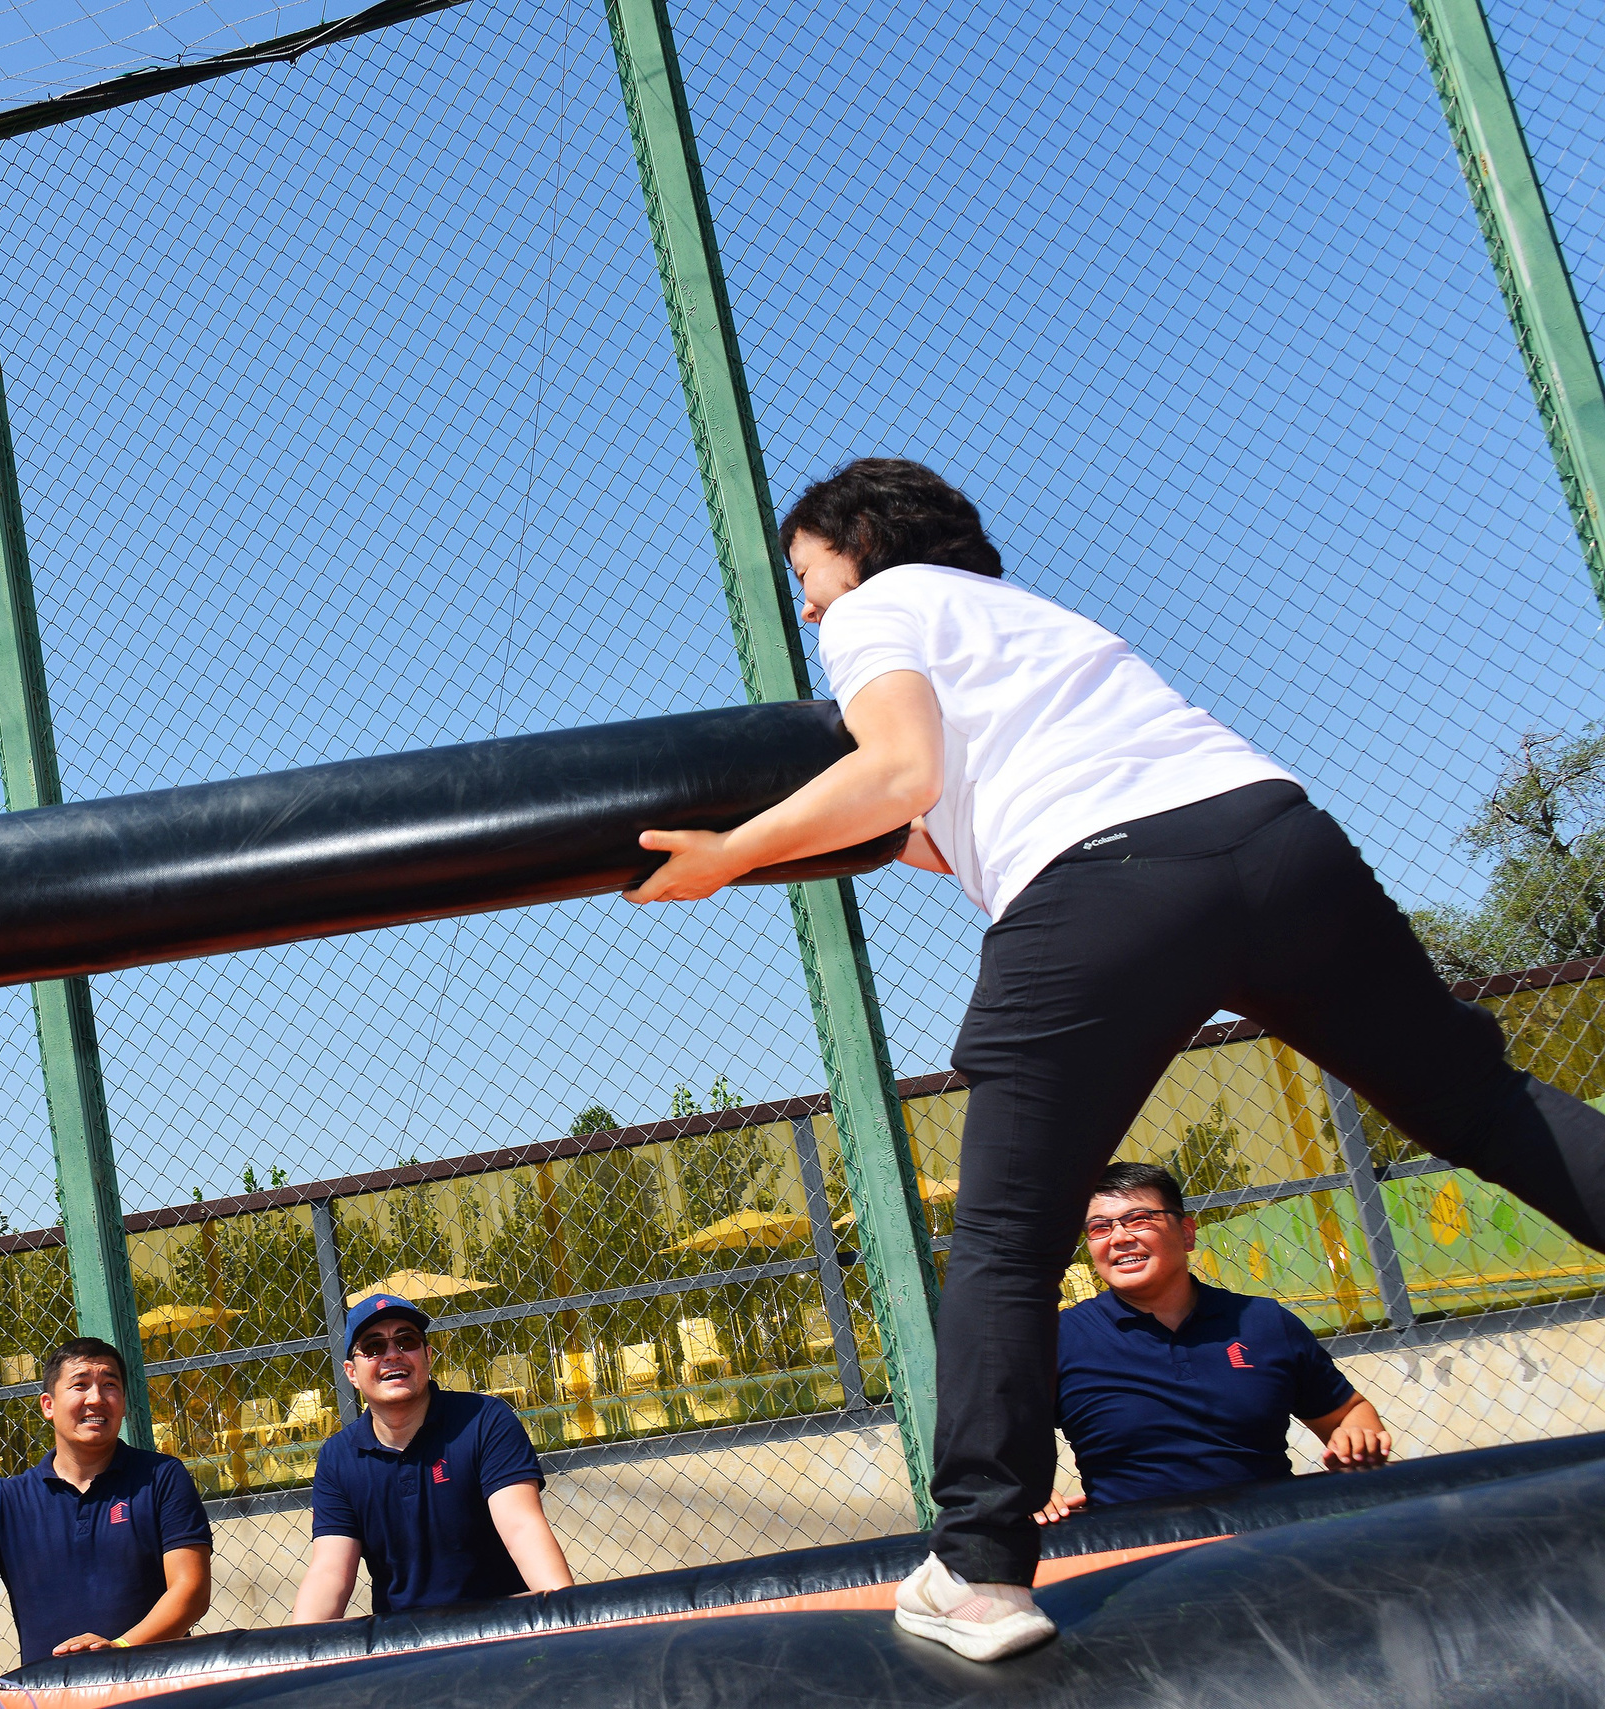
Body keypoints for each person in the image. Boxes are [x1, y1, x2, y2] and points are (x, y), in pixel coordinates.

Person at [623, 459, 1605, 1661]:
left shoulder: (888, 605)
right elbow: (921, 832)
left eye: (808, 578)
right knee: (1485, 1104)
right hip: (1275, 838)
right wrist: (791, 837)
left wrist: (725, 854)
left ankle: (979, 1564)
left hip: (1104, 883)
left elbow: (894, 774)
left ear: (861, 543)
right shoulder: (1039, 623)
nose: (812, 608)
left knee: (1007, 1232)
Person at [1035, 1162, 1391, 1523]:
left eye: (1139, 1219)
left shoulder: (1263, 1322)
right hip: (1137, 1556)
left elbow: (1347, 1412)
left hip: (1274, 1539)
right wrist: (1026, 1491)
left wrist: (1358, 1436)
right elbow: (992, 1446)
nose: (1119, 1237)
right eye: (1099, 1228)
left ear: (1187, 1233)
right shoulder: (1058, 1340)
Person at [0, 1337, 214, 1669]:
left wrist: (120, 1649)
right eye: (80, 1385)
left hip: (158, 1688)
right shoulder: (6, 1501)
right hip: (50, 1694)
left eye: (110, 1385)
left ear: (123, 1402)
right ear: (48, 1405)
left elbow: (191, 1591)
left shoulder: (162, 1477)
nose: (96, 1398)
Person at [290, 1293, 574, 1621]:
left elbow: (521, 1527)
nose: (392, 1355)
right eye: (373, 1348)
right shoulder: (338, 1458)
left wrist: (567, 1619)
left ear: (427, 1355)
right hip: (403, 1644)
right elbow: (330, 1572)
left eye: (406, 1341)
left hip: (501, 1627)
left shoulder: (485, 1420)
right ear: (352, 1373)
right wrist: (300, 1654)